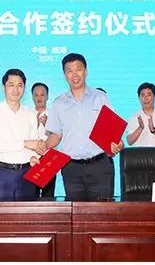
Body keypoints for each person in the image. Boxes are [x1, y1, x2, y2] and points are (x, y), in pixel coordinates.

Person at [43, 53, 123, 201]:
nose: (74, 74)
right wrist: (44, 145)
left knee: (102, 212)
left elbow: (113, 134)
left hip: (99, 166)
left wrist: (118, 144)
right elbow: (56, 135)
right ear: (64, 75)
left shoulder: (100, 98)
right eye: (69, 70)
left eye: (78, 69)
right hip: (71, 168)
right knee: (75, 213)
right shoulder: (58, 103)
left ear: (86, 71)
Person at [0, 69, 42, 201]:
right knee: (1, 214)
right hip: (2, 174)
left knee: (26, 213)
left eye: (19, 85)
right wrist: (25, 143)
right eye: (11, 85)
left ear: (24, 88)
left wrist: (34, 156)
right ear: (3, 87)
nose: (16, 90)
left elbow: (33, 142)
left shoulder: (30, 113)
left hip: (27, 173)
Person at [125, 82, 155, 147]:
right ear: (139, 98)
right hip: (139, 153)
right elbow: (129, 141)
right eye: (143, 95)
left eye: (149, 95)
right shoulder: (133, 117)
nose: (146, 98)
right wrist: (140, 128)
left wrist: (154, 130)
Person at [31, 82, 55, 198]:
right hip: (31, 157)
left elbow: (59, 137)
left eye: (42, 95)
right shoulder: (27, 115)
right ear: (32, 97)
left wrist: (48, 126)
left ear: (47, 96)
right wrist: (34, 125)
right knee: (31, 193)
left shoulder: (54, 115)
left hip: (49, 158)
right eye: (36, 95)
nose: (39, 98)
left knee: (48, 195)